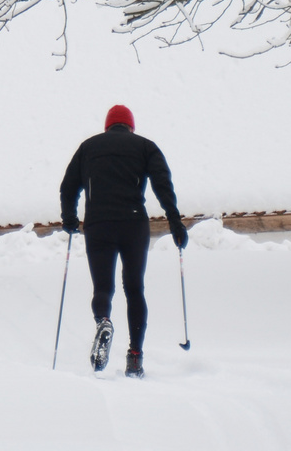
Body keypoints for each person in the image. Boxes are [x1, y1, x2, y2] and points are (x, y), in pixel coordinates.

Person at [59, 104, 186, 378]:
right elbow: (163, 184)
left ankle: (103, 320)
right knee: (134, 289)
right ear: (131, 126)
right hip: (133, 224)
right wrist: (175, 221)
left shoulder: (88, 148)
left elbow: (68, 187)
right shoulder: (145, 147)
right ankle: (135, 357)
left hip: (99, 224)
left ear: (107, 126)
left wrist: (69, 219)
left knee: (103, 287)